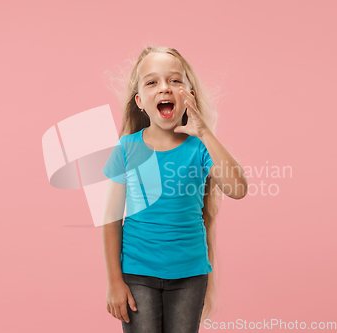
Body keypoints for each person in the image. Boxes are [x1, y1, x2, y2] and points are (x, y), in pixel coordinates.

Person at [101, 45, 248, 333]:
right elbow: (110, 219)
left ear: (188, 96)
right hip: (136, 274)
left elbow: (238, 188)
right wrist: (114, 282)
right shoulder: (126, 149)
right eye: (152, 82)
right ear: (140, 101)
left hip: (190, 277)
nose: (164, 88)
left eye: (175, 80)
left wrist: (204, 131)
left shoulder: (200, 148)